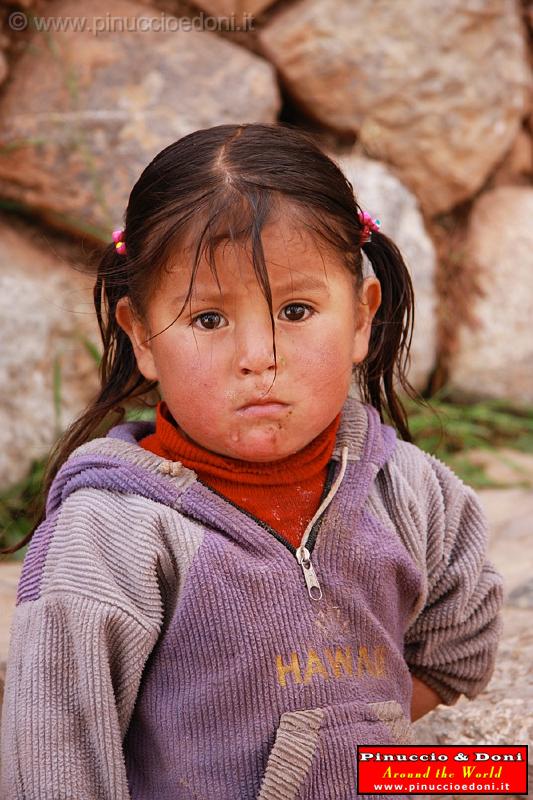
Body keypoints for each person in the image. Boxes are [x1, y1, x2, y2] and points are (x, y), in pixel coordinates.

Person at [0, 123, 503, 800]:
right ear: (142, 336)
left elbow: (457, 645)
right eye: (208, 319)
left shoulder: (411, 493)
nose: (258, 356)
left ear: (360, 319)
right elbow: (51, 758)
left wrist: (344, 745)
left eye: (296, 310)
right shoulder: (108, 538)